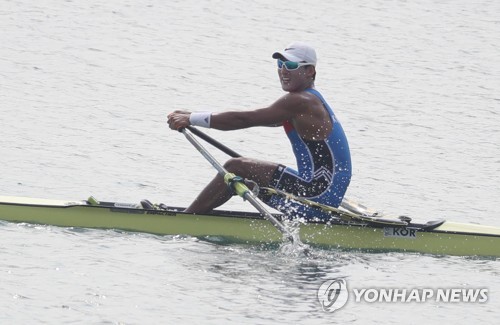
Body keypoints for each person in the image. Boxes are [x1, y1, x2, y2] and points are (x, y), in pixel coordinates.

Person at [167, 41, 351, 221]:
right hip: (323, 192)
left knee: (235, 167)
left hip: (316, 196)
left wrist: (191, 118)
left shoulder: (301, 101)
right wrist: (192, 115)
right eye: (280, 64)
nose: (283, 70)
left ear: (309, 71)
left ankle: (183, 221)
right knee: (246, 173)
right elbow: (258, 118)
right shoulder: (310, 101)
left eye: (292, 65)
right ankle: (196, 215)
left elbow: (245, 119)